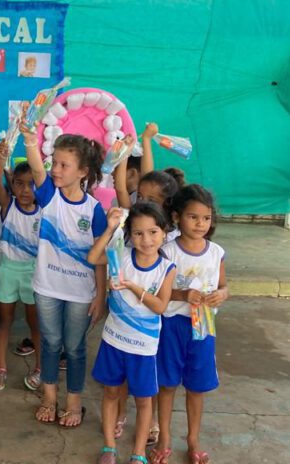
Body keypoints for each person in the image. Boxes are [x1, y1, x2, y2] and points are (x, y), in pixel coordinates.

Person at [21, 122, 108, 428]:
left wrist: (101, 296)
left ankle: (73, 401)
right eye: (54, 163)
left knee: (74, 347)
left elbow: (100, 260)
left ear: (83, 171)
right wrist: (31, 142)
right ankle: (48, 397)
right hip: (47, 288)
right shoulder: (49, 197)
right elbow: (38, 170)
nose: (55, 170)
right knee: (50, 343)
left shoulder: (95, 211)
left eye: (63, 165)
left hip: (81, 294)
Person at [88, 203, 177, 464]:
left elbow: (160, 306)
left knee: (143, 401)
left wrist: (133, 287)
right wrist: (110, 228)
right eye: (138, 233)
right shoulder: (122, 255)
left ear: (164, 232)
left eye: (153, 232)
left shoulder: (166, 269)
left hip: (143, 348)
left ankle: (138, 453)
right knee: (111, 394)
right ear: (129, 235)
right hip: (113, 341)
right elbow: (93, 258)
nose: (146, 240)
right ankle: (109, 447)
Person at [153, 185, 228, 464]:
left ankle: (193, 439)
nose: (200, 224)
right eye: (193, 217)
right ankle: (164, 438)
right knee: (168, 384)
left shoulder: (216, 253)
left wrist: (221, 294)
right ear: (176, 217)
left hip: (204, 327)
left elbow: (224, 286)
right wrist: (182, 295)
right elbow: (156, 291)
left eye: (206, 218)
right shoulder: (168, 252)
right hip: (172, 325)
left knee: (196, 387)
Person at [0, 141, 42, 392]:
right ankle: (0, 368)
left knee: (35, 325)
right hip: (9, 270)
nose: (25, 190)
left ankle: (40, 368)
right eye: (19, 184)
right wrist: (1, 160)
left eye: (32, 184)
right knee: (4, 321)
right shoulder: (7, 205)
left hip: (34, 272)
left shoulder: (44, 210)